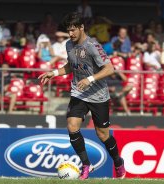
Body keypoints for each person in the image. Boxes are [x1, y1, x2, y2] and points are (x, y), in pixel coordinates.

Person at [38, 12, 126, 180]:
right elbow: (71, 66)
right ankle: (86, 165)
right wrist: (54, 72)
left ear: (81, 28)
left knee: (102, 135)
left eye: (73, 30)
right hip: (79, 92)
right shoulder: (69, 45)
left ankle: (117, 161)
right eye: (68, 30)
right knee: (72, 126)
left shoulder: (93, 45)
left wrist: (90, 78)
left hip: (98, 95)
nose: (70, 34)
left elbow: (110, 69)